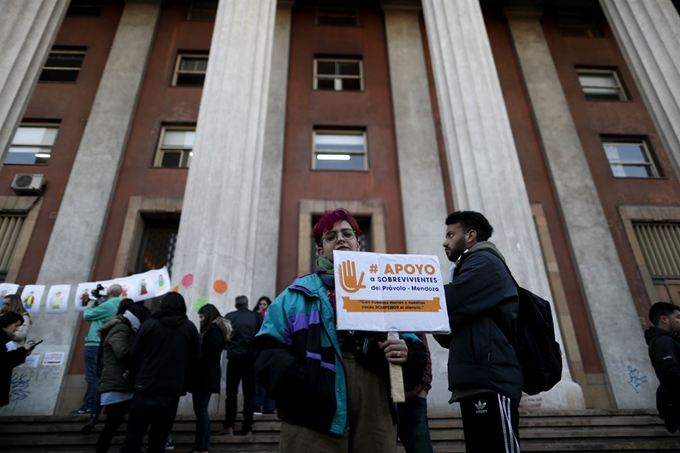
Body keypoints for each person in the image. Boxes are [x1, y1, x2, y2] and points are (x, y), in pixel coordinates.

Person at [254, 208, 426, 452]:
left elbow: (414, 348)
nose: (341, 239)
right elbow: (266, 350)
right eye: (331, 236)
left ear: (358, 244)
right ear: (321, 250)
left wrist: (407, 354)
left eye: (347, 234)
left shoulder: (385, 292)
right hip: (309, 413)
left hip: (375, 411)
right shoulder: (293, 296)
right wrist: (301, 381)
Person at [434, 210, 522, 453]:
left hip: (491, 379)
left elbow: (450, 304)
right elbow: (446, 332)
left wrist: (416, 298)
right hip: (476, 379)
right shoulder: (471, 267)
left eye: (451, 234)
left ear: (471, 236)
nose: (445, 241)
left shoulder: (484, 261)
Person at [119, 292, 201, 453]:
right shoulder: (189, 328)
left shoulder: (150, 324)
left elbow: (133, 352)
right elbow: (197, 358)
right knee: (159, 438)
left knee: (133, 436)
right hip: (171, 389)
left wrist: (137, 372)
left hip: (146, 386)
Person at [93, 303, 150, 452]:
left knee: (117, 425)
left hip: (122, 384)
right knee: (113, 425)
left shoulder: (125, 328)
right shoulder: (121, 329)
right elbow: (123, 353)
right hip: (117, 386)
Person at [72, 284, 123, 416]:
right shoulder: (119, 305)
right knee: (99, 376)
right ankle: (94, 406)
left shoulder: (108, 305)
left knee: (93, 377)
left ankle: (89, 406)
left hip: (94, 343)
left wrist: (90, 305)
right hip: (104, 344)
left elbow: (87, 316)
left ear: (111, 291)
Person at [188, 304, 232, 453]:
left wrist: (198, 352)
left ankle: (200, 446)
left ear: (208, 315)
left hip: (203, 376)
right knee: (202, 412)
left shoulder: (213, 330)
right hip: (207, 375)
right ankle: (202, 446)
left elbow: (210, 351)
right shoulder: (216, 330)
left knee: (201, 412)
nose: (200, 320)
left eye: (202, 317)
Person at [217, 295, 263, 436]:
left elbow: (224, 336)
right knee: (250, 394)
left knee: (231, 393)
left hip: (235, 357)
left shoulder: (229, 317)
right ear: (247, 304)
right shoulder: (256, 317)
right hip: (250, 358)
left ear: (236, 305)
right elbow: (262, 336)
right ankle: (247, 427)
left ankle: (229, 426)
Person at [645, 302, 680, 433]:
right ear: (664, 319)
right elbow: (669, 373)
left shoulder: (670, 340)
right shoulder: (663, 341)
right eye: (678, 317)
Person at [397, 334, 433, 453]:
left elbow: (424, 349)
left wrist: (424, 386)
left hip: (413, 397)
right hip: (378, 397)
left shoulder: (410, 316)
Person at [1, 312, 36, 407]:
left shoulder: (6, 337)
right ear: (8, 322)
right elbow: (4, 359)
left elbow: (11, 361)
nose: (16, 329)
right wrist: (23, 349)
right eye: (15, 325)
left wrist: (25, 353)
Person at [254, 296, 275, 415]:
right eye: (260, 304)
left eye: (264, 304)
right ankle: (260, 405)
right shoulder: (255, 317)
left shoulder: (272, 316)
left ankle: (269, 406)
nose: (262, 306)